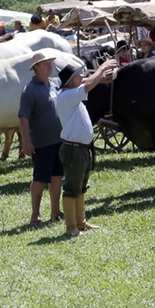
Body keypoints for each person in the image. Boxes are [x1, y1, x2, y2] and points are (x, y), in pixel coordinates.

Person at [17, 51, 65, 226]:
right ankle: (35, 214)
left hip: (58, 140)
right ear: (36, 67)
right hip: (42, 142)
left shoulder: (54, 84)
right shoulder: (29, 90)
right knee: (39, 178)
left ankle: (55, 210)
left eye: (50, 62)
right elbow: (23, 117)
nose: (49, 65)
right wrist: (26, 141)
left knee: (57, 176)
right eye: (45, 63)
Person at [54, 63, 98, 238]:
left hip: (82, 148)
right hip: (74, 150)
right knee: (72, 187)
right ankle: (71, 225)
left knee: (81, 186)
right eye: (78, 76)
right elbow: (87, 84)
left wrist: (101, 77)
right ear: (71, 82)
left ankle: (81, 221)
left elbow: (86, 82)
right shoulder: (67, 96)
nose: (81, 78)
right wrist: (102, 70)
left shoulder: (72, 93)